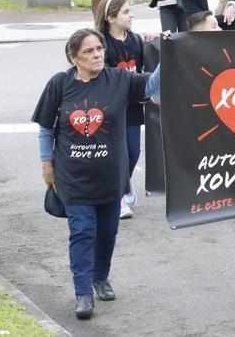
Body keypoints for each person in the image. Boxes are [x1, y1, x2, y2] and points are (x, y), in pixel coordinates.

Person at [33, 28, 161, 320]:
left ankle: (100, 277)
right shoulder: (60, 84)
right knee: (82, 231)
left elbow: (152, 86)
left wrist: (170, 50)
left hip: (111, 176)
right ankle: (83, 293)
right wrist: (46, 164)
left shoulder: (119, 79)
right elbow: (45, 128)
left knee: (107, 232)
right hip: (72, 176)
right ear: (73, 57)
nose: (97, 55)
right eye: (88, 51)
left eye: (99, 49)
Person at [94, 0, 158, 220]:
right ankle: (118, 197)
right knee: (115, 153)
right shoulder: (100, 43)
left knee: (132, 151)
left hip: (132, 108)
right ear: (111, 17)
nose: (131, 16)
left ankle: (125, 183)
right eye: (126, 12)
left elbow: (143, 70)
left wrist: (152, 41)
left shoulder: (135, 40)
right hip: (111, 108)